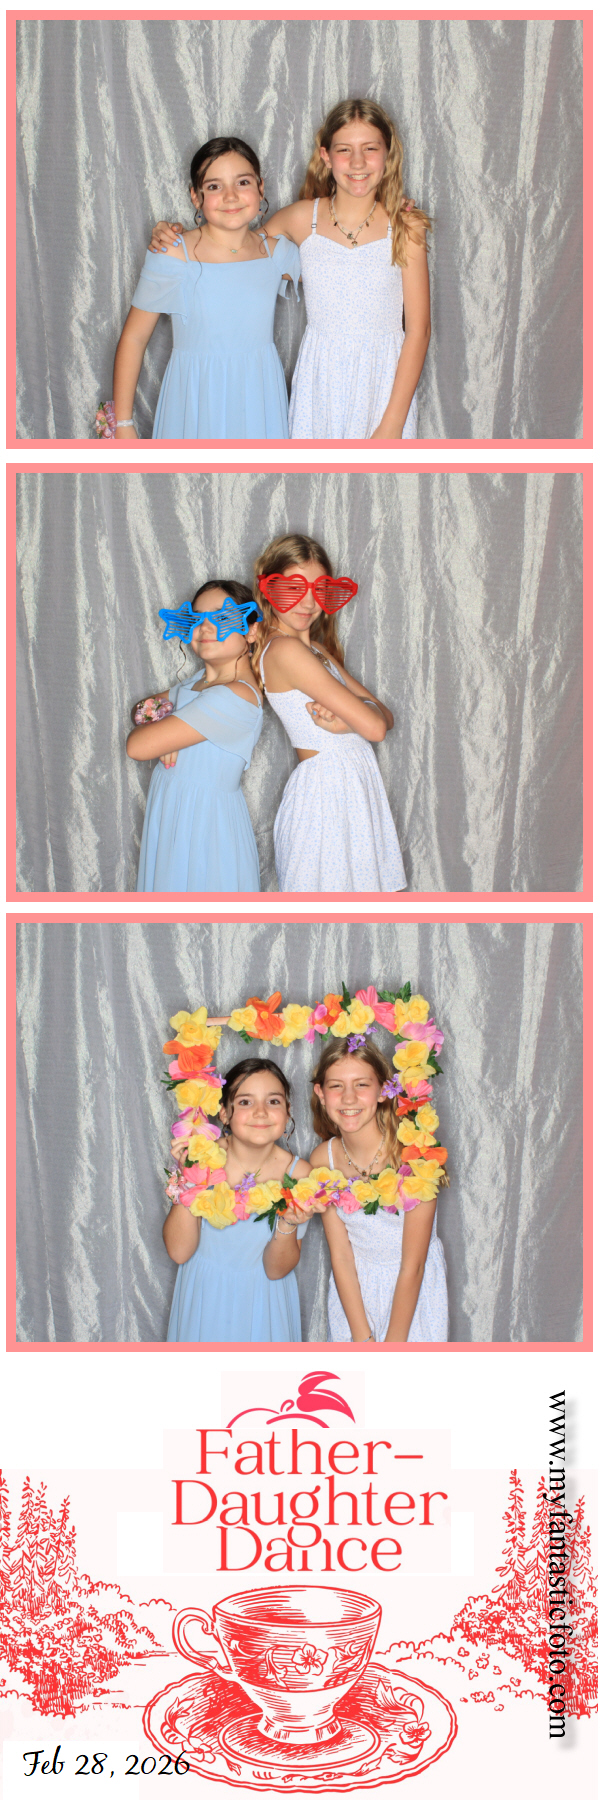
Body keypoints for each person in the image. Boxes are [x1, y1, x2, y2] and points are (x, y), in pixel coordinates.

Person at [150, 99, 430, 441]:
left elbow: (419, 330)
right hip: (320, 383)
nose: (357, 162)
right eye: (344, 150)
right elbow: (234, 249)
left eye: (370, 148)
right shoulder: (300, 219)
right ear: (326, 156)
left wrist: (392, 424)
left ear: (388, 153)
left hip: (384, 383)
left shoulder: (405, 226)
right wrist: (174, 238)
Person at [113, 137, 300, 441]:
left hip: (259, 398)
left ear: (261, 187)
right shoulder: (174, 253)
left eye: (242, 182)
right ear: (195, 196)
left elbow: (340, 261)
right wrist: (123, 424)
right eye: (214, 186)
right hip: (195, 398)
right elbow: (134, 337)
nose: (230, 196)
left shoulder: (277, 253)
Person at [251, 532, 407, 892]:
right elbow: (375, 727)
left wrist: (350, 722)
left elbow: (386, 716)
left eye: (318, 589)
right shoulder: (285, 651)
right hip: (326, 795)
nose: (307, 602)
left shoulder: (317, 650)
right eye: (293, 588)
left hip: (350, 788)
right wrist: (357, 721)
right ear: (269, 588)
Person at [126, 581, 263, 892]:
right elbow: (139, 709)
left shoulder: (235, 696)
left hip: (203, 826)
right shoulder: (198, 682)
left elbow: (137, 746)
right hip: (174, 815)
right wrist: (166, 722)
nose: (206, 627)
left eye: (222, 617)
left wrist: (164, 729)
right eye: (197, 618)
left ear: (251, 630)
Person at [164, 1058, 313, 1342]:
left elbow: (277, 1270)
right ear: (224, 1113)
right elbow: (179, 1252)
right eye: (245, 1102)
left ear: (288, 1111)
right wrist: (190, 1178)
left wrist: (288, 1222)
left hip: (265, 1306)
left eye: (273, 1101)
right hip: (204, 1301)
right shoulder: (202, 1157)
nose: (261, 1112)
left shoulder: (299, 1174)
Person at [309, 1040, 449, 1343]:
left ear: (383, 1090)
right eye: (336, 1086)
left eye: (361, 1084)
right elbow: (341, 1256)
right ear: (320, 1093)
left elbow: (414, 1265)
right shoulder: (323, 1160)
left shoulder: (415, 1156)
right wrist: (363, 1338)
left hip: (411, 1294)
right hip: (355, 1296)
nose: (348, 1097)